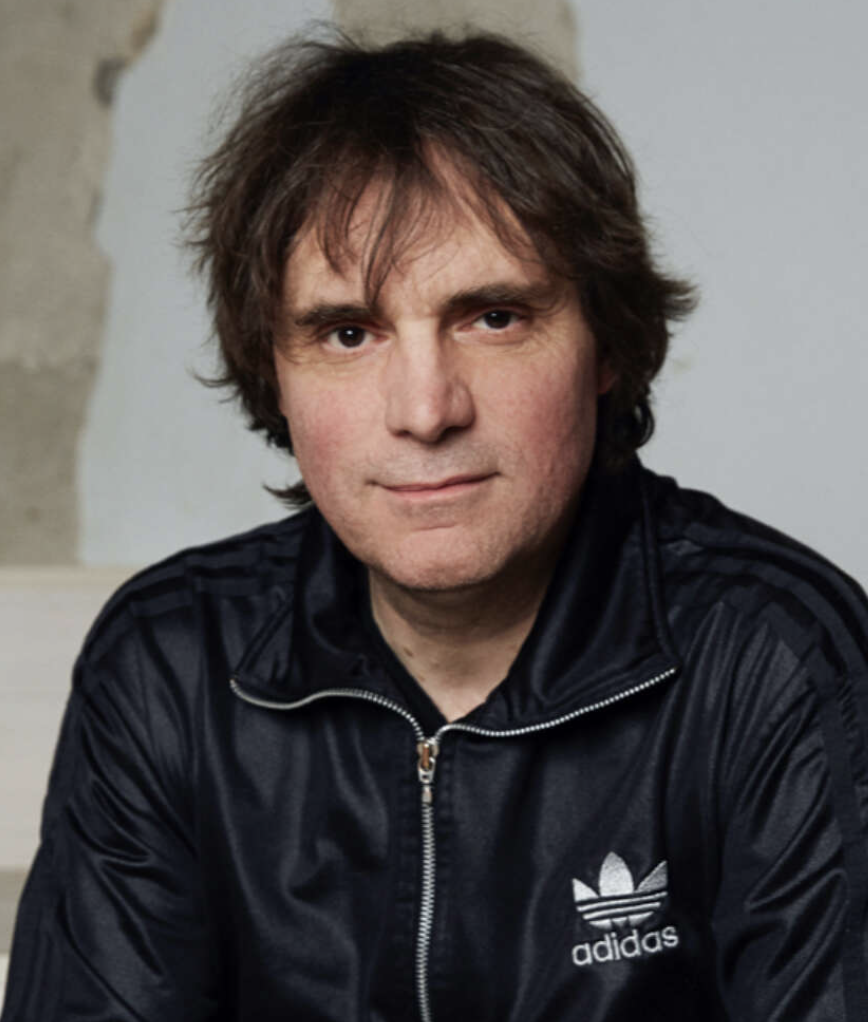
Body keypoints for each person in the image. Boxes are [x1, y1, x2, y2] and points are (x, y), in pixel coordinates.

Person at [3, 29, 868, 1022]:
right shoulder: (171, 667)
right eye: (348, 332)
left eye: (493, 317)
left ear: (606, 346)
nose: (425, 410)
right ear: (274, 376)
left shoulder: (774, 656)